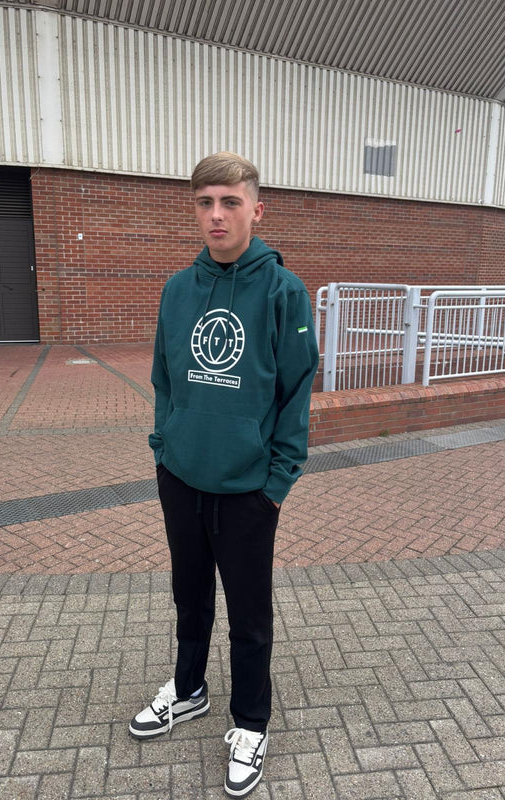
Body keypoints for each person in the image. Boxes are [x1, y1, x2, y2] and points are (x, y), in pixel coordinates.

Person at [129, 152, 319, 797]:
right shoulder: (179, 290)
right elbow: (162, 378)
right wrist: (164, 446)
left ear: (255, 210)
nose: (217, 215)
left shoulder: (282, 290)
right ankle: (188, 690)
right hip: (182, 477)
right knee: (190, 597)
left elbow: (296, 392)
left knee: (249, 613)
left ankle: (250, 722)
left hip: (248, 491)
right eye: (206, 202)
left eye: (230, 202)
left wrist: (275, 485)